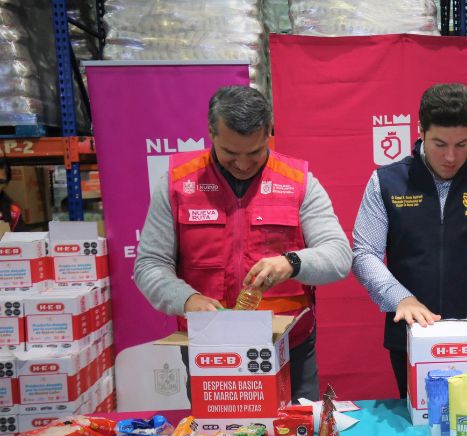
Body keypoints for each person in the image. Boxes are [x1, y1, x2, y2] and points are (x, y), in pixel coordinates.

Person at [134, 85, 352, 402]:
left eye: (254, 152)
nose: (243, 164)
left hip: (288, 346)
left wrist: (292, 263)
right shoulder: (178, 183)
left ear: (268, 134)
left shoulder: (298, 181)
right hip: (210, 347)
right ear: (211, 133)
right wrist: (186, 299)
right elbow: (149, 264)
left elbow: (338, 256)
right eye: (230, 153)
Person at [352, 83, 467, 398]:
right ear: (421, 130)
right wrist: (400, 298)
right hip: (412, 335)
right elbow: (364, 253)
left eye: (462, 145)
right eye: (440, 144)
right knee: (421, 430)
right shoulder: (387, 182)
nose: (451, 157)